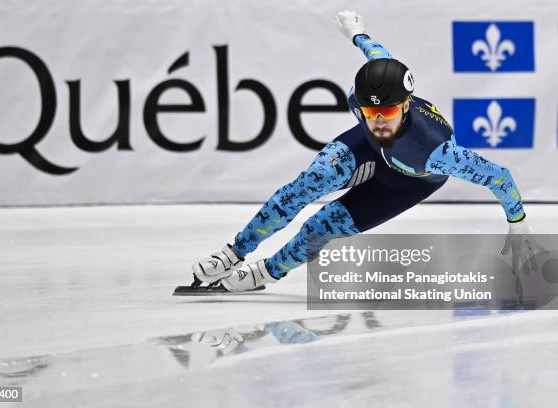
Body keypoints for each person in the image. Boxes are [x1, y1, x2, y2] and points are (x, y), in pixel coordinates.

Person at [189, 10, 531, 293]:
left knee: (320, 227)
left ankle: (267, 272)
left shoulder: (436, 151)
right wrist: (357, 31)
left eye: (387, 114)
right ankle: (232, 252)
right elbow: (377, 54)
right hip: (366, 150)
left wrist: (519, 227)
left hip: (408, 182)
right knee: (302, 188)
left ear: (406, 104)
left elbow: (499, 177)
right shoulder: (364, 98)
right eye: (370, 113)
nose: (378, 121)